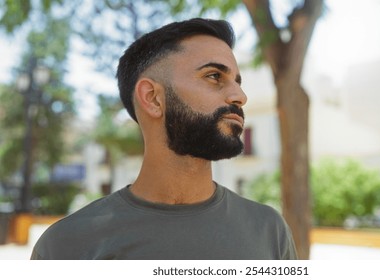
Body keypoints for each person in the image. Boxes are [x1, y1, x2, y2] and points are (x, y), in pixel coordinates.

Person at [31, 18, 298, 260]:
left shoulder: (270, 231)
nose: (240, 96)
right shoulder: (64, 247)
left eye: (237, 81)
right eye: (214, 76)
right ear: (153, 98)